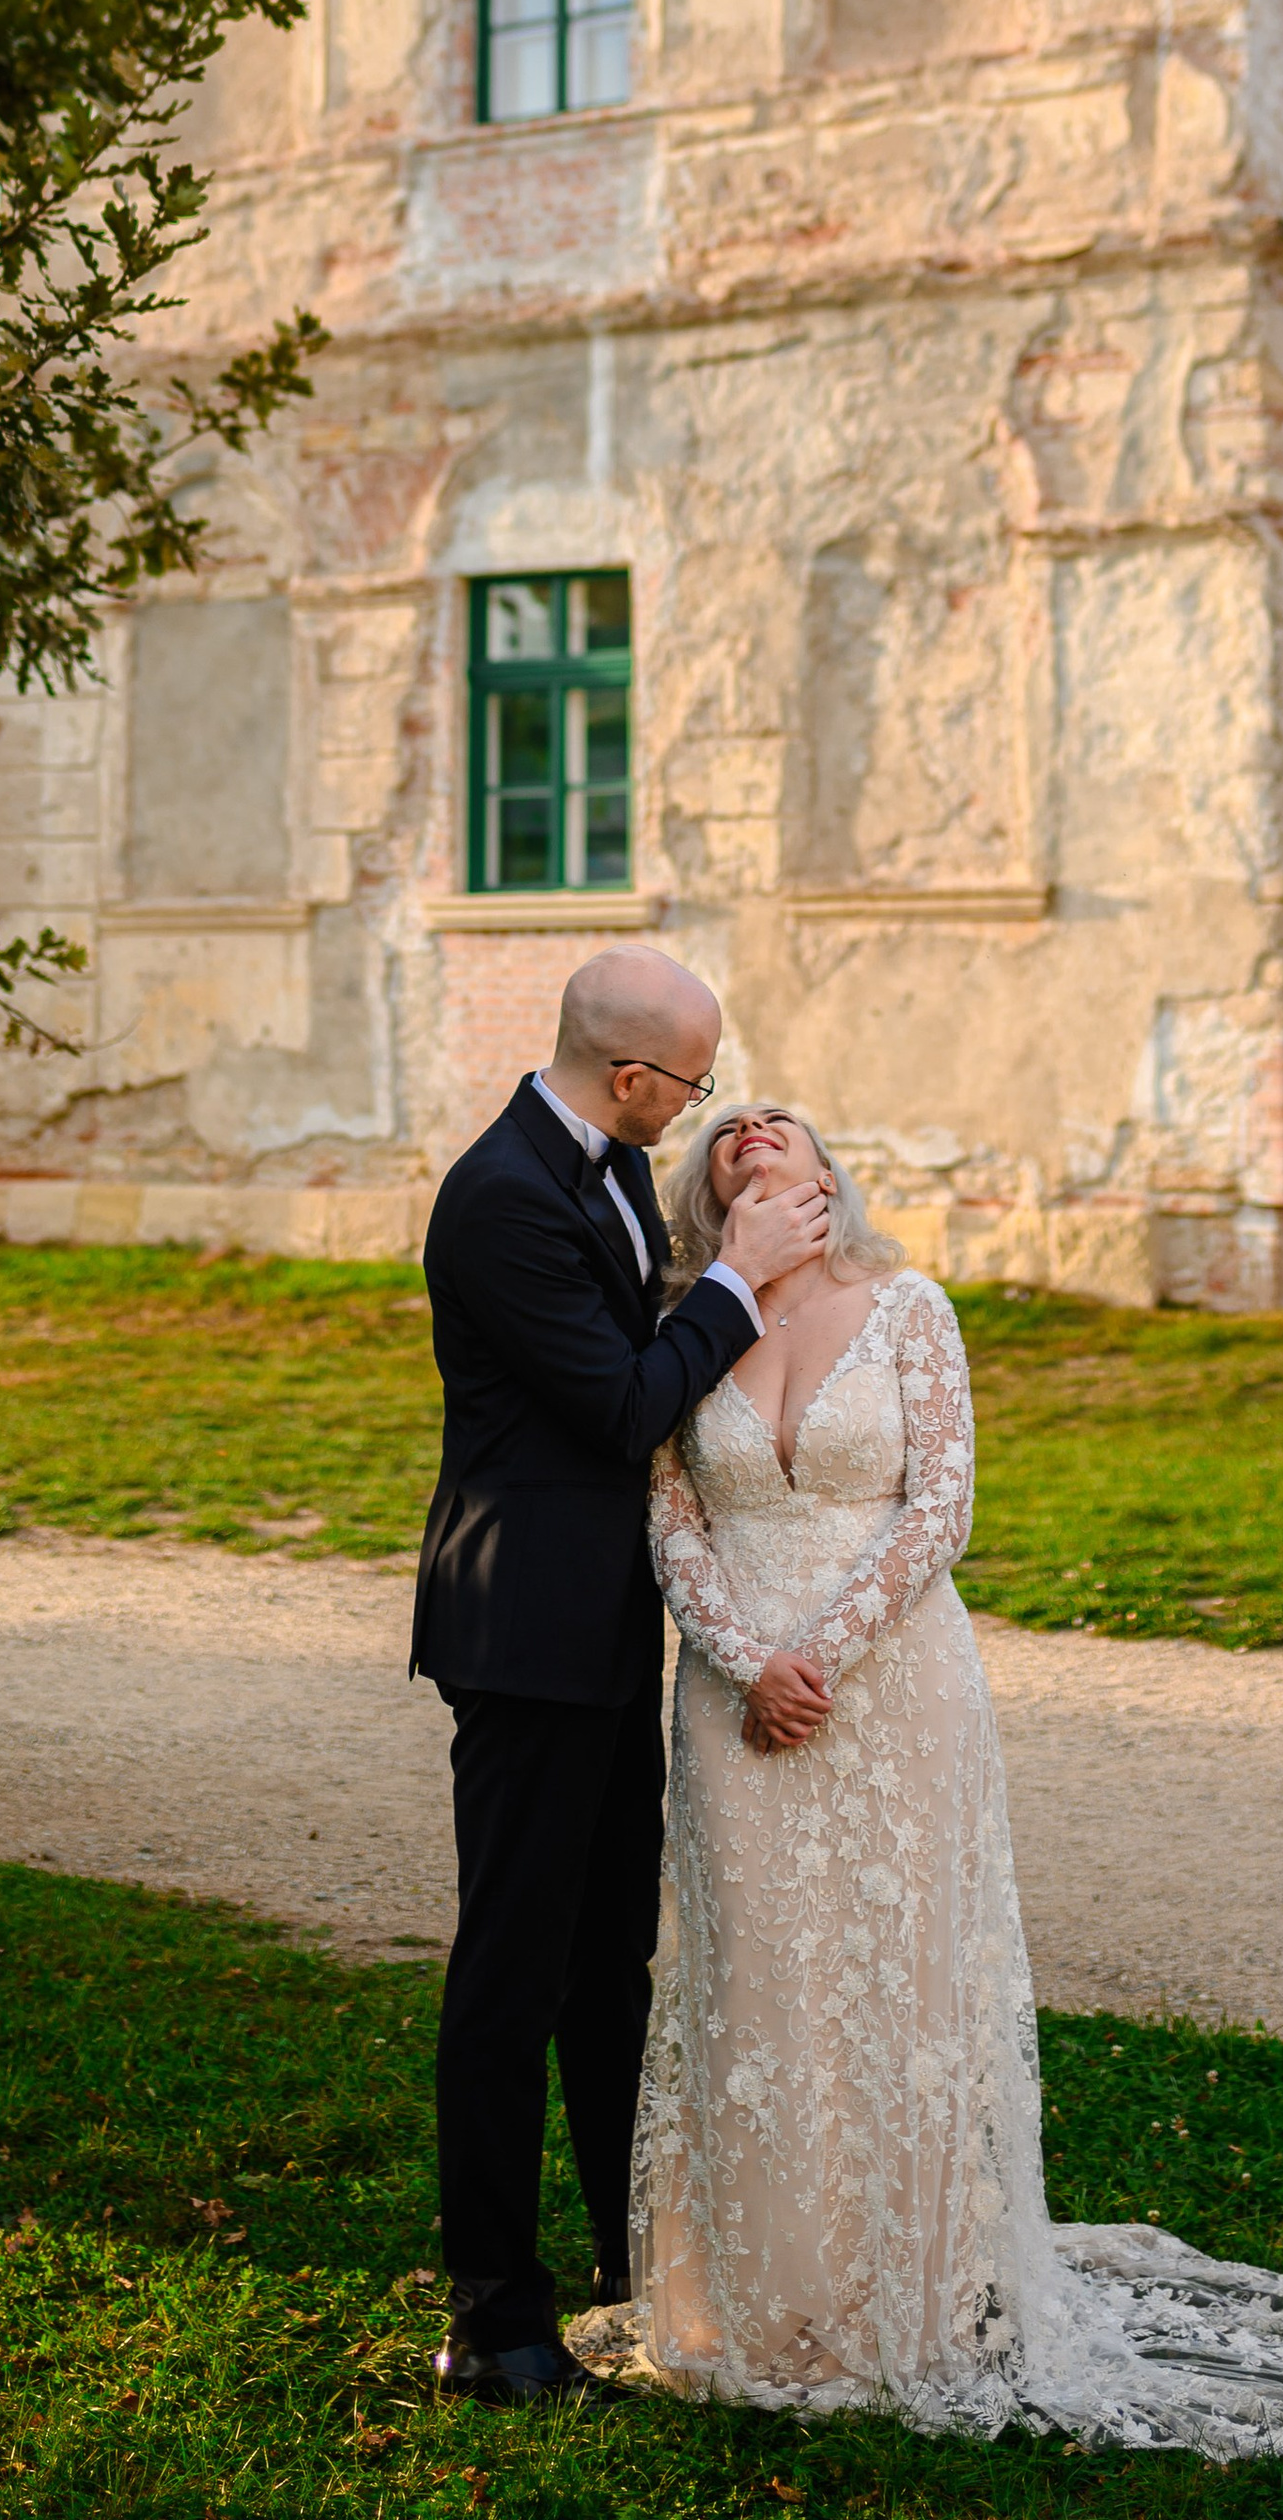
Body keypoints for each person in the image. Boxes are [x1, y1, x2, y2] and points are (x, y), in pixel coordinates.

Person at [586, 1099, 1283, 2457]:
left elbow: (939, 1510)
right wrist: (743, 1660)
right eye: (728, 1130)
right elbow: (668, 1513)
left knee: (900, 1975)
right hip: (734, 1701)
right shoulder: (689, 1331)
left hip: (893, 1685)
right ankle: (765, 2300)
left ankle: (909, 2293)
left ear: (830, 1176)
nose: (753, 1130)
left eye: (782, 1124)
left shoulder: (910, 1307)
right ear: (707, 1201)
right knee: (757, 1975)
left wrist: (820, 1655)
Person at [410, 953, 830, 2408]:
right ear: (634, 1079)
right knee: (511, 1980)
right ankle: (494, 2317)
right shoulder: (506, 1195)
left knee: (607, 1971)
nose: (699, 1105)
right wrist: (739, 1280)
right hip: (523, 1634)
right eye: (693, 1084)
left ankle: (624, 2266)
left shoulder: (598, 1167)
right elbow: (620, 1404)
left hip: (601, 1631)